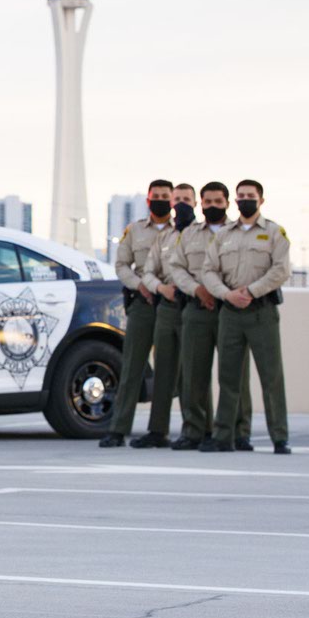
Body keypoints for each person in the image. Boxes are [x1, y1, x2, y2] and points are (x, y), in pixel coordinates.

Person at [201, 179, 292, 454]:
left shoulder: (275, 233)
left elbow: (281, 270)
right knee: (228, 378)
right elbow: (208, 270)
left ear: (261, 200)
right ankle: (223, 436)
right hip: (230, 312)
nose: (244, 200)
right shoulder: (224, 234)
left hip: (261, 311)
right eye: (240, 196)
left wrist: (251, 291)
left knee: (271, 377)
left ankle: (280, 436)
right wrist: (227, 295)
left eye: (250, 196)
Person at [164, 181, 253, 450]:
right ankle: (194, 430)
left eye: (218, 202)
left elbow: (246, 269)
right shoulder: (189, 234)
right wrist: (197, 289)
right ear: (200, 204)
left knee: (235, 375)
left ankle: (239, 431)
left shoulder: (239, 233)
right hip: (196, 309)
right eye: (208, 202)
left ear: (227, 202)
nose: (212, 206)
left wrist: (223, 292)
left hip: (231, 310)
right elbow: (176, 268)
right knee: (193, 373)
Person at [100, 179, 175, 448]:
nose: (161, 200)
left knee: (166, 369)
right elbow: (121, 266)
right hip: (142, 304)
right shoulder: (134, 231)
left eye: (166, 196)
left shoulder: (182, 232)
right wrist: (139, 285)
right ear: (148, 199)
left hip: (171, 305)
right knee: (132, 366)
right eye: (156, 196)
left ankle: (159, 430)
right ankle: (118, 429)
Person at [137, 183, 196, 447]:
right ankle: (157, 430)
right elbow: (148, 272)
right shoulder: (165, 237)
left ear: (195, 203)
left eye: (186, 199)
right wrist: (161, 288)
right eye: (178, 199)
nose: (181, 203)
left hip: (194, 307)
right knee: (163, 371)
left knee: (192, 373)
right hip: (168, 308)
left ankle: (195, 429)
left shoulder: (204, 235)